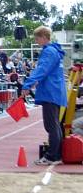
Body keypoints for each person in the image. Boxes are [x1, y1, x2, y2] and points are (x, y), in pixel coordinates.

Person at [21, 26, 67, 165]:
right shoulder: (54, 51)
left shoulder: (49, 52)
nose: (36, 41)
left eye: (37, 38)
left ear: (43, 37)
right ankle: (55, 154)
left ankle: (52, 156)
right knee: (55, 125)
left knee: (51, 126)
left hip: (50, 92)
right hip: (54, 91)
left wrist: (28, 84)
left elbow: (42, 70)